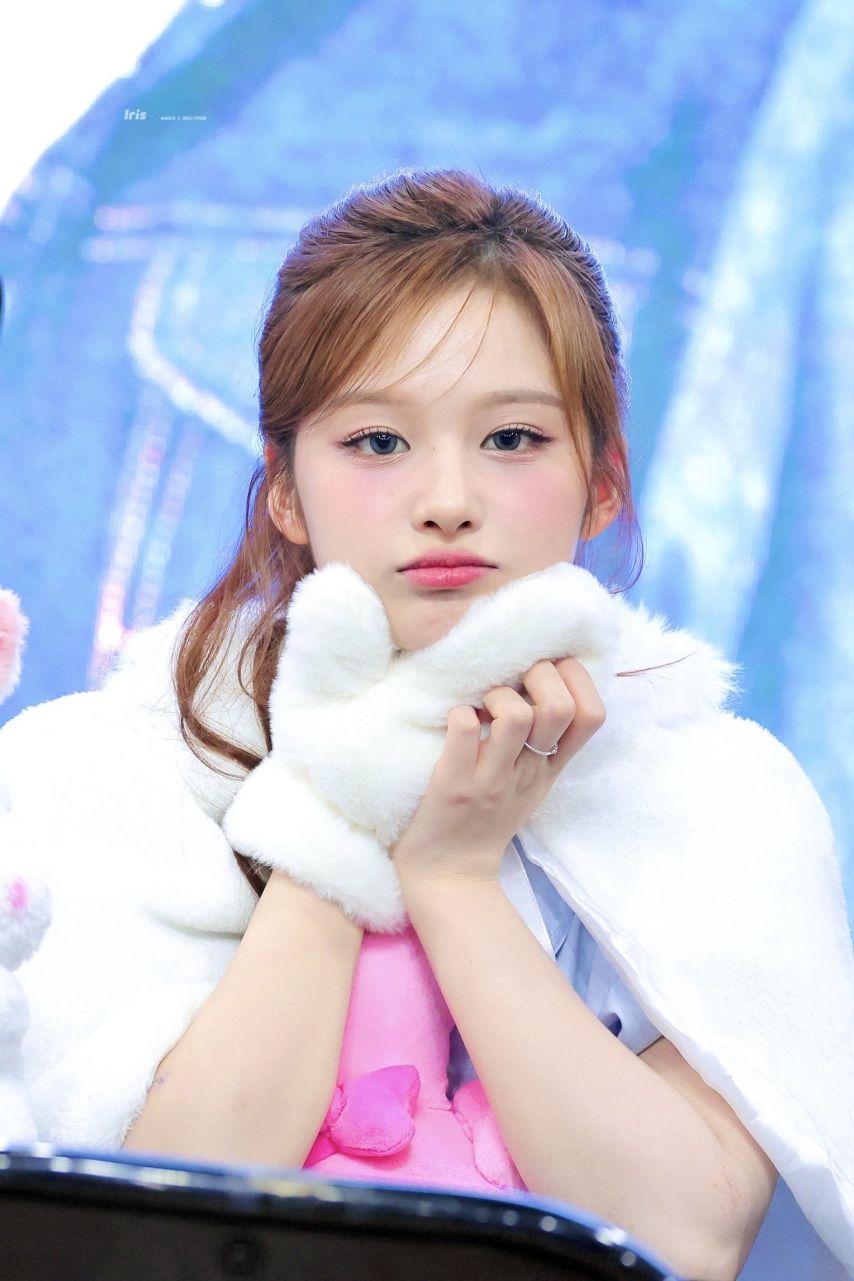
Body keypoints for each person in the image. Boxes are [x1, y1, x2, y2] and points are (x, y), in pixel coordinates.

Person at [0, 167, 849, 1281]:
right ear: (284, 489)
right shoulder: (112, 764)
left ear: (602, 482)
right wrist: (347, 805)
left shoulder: (716, 794)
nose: (446, 500)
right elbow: (157, 1229)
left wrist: (451, 875)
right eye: (376, 442)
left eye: (512, 438)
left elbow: (681, 1243)